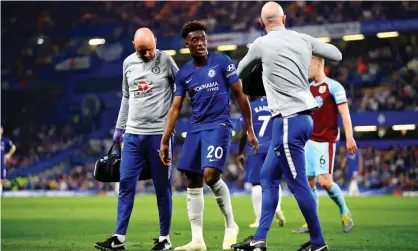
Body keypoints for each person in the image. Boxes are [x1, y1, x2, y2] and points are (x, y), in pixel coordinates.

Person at [232, 2, 342, 251]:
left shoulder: (261, 44)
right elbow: (337, 54)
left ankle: (318, 242)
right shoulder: (302, 38)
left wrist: (259, 67)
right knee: (267, 177)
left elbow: (240, 71)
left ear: (262, 23)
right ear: (284, 18)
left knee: (297, 184)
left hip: (287, 121)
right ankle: (259, 239)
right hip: (300, 120)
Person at [159, 21, 259, 251]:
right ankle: (197, 241)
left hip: (219, 125)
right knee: (192, 180)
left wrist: (250, 129)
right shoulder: (184, 74)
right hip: (196, 128)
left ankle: (231, 225)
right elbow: (175, 108)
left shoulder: (222, 62)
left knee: (211, 176)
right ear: (187, 44)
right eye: (195, 40)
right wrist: (165, 140)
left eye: (203, 39)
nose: (201, 43)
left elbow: (241, 96)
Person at [95, 28, 179, 251]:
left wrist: (172, 120)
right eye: (143, 51)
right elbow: (126, 96)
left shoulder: (167, 60)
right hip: (132, 136)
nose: (148, 54)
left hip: (159, 136)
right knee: (125, 186)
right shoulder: (128, 63)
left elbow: (181, 90)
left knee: (162, 188)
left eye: (151, 49)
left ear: (156, 42)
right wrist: (119, 127)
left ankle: (165, 239)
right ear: (134, 46)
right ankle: (119, 238)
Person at [294, 56, 357, 234]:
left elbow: (345, 114)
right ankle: (312, 222)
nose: (307, 69)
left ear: (319, 65)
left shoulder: (334, 86)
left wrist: (350, 137)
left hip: (325, 141)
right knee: (309, 181)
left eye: (309, 65)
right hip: (308, 141)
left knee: (325, 182)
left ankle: (344, 211)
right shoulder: (306, 88)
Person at [236, 95, 285, 229]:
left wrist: (240, 152)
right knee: (274, 180)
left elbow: (244, 131)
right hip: (274, 147)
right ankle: (277, 208)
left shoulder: (249, 106)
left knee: (257, 183)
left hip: (255, 149)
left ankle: (259, 218)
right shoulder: (275, 104)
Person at [1, 125, 16, 192]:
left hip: (1, 162)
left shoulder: (5, 140)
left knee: (1, 178)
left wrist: (8, 155)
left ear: (2, 130)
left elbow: (13, 147)